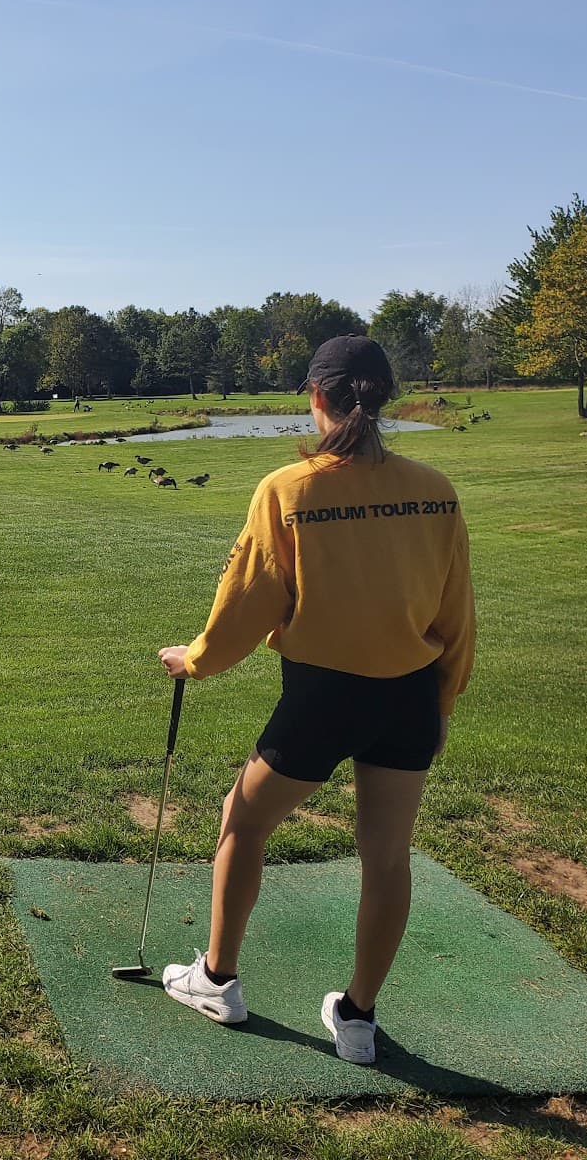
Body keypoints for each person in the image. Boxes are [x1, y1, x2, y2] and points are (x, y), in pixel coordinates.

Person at [155, 334, 475, 1065]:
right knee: (387, 859)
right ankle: (358, 1021)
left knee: (242, 820)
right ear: (384, 398)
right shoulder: (435, 488)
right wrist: (443, 706)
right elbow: (457, 614)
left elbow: (248, 602)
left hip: (322, 698)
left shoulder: (288, 489)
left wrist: (194, 661)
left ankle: (218, 979)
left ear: (317, 398)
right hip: (409, 701)